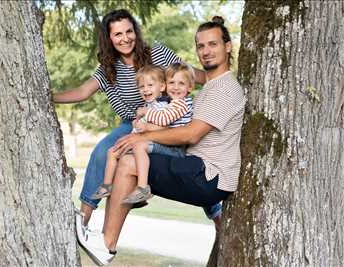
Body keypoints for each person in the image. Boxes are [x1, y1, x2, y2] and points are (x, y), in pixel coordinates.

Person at [76, 16, 246, 266]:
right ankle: (108, 235)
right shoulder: (210, 87)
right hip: (196, 168)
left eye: (213, 44)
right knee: (129, 156)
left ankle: (106, 243)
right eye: (201, 46)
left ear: (228, 46)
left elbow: (191, 134)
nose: (206, 51)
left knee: (129, 161)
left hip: (209, 175)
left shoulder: (226, 88)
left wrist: (142, 137)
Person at [52, 9, 208, 226]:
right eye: (118, 34)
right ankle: (83, 219)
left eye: (129, 31)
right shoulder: (108, 69)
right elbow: (82, 92)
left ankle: (218, 217)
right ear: (109, 38)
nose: (125, 38)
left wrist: (220, 80)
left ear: (136, 31)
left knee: (194, 157)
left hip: (167, 118)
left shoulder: (158, 54)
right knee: (102, 152)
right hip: (132, 124)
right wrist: (48, 97)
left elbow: (193, 75)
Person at [91, 63, 195, 204]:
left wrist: (145, 121)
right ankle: (107, 185)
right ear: (167, 85)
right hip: (161, 143)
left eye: (181, 83)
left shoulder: (179, 104)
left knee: (139, 147)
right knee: (113, 151)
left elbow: (164, 122)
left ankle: (142, 188)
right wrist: (137, 123)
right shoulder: (160, 104)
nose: (175, 87)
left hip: (175, 148)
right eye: (172, 82)